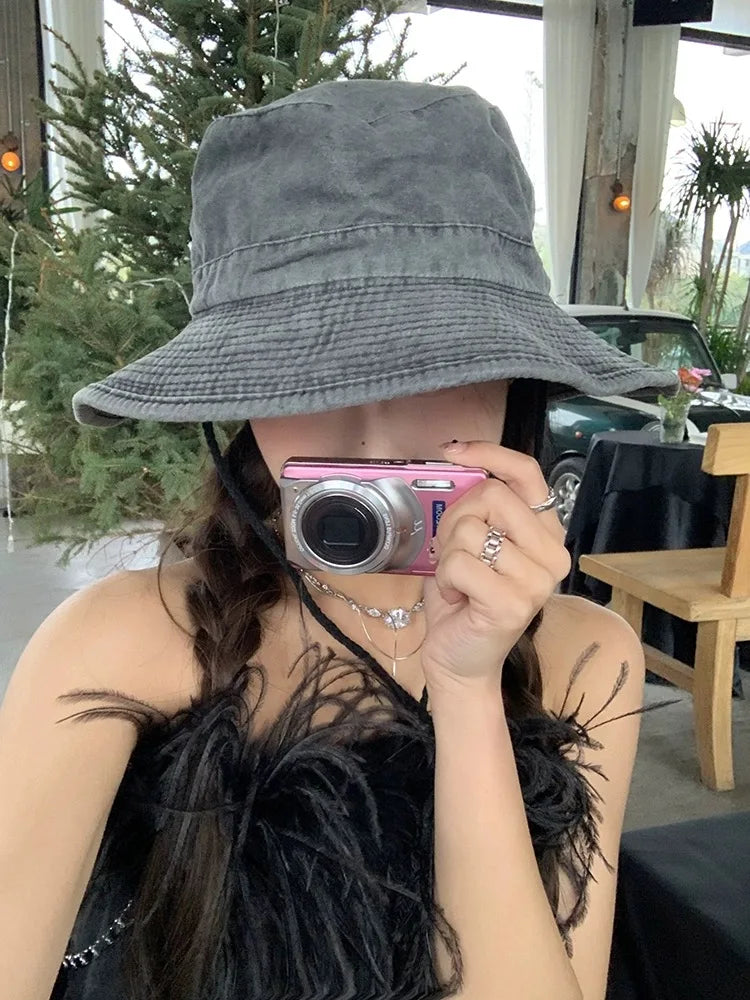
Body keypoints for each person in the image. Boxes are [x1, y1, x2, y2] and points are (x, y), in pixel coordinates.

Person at [0, 79, 677, 1000]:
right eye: (299, 372)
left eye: (440, 362)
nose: (370, 434)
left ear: (518, 380)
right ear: (234, 397)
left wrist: (468, 695)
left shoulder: (587, 656)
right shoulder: (118, 644)